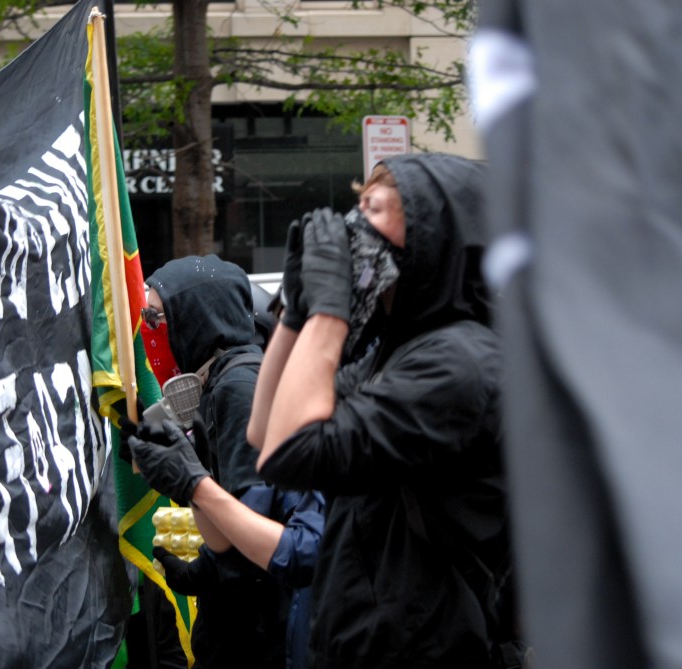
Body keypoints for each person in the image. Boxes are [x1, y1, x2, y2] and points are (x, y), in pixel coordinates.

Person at [247, 154, 520, 668]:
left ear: (432, 234)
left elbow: (288, 452)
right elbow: (265, 432)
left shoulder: (460, 363)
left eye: (374, 209)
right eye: (357, 206)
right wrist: (299, 313)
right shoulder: (396, 352)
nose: (353, 225)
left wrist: (330, 314)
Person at [124, 254, 324, 669]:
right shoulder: (224, 378)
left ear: (195, 316)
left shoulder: (235, 385)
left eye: (157, 317)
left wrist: (191, 484)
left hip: (257, 634)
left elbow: (243, 534)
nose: (151, 330)